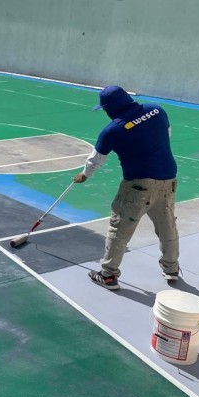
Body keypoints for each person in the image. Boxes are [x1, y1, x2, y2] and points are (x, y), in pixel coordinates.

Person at [74, 85, 179, 291]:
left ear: (111, 108)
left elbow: (96, 160)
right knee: (167, 225)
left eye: (105, 108)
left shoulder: (112, 130)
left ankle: (108, 275)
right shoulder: (156, 110)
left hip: (138, 186)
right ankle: (171, 268)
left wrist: (84, 175)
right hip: (168, 178)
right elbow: (167, 134)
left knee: (119, 228)